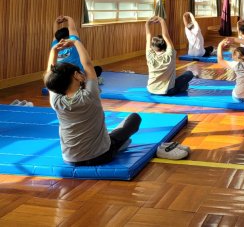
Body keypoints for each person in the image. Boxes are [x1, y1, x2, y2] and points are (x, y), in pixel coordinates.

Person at [44, 38, 141, 166]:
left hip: (71, 159)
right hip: (101, 156)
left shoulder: (55, 100)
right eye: (79, 72)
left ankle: (115, 142)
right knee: (134, 118)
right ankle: (118, 144)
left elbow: (51, 75)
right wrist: (75, 42)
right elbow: (88, 65)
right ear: (76, 75)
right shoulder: (90, 94)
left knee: (110, 135)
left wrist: (54, 51)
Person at [145, 16, 194, 96]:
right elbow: (165, 35)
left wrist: (147, 23)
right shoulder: (170, 55)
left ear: (152, 47)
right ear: (165, 46)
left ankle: (181, 87)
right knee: (189, 74)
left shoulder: (149, 56)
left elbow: (148, 36)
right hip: (167, 91)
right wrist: (161, 20)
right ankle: (182, 87)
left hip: (151, 89)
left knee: (181, 83)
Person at [52, 15, 104, 84]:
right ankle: (96, 80)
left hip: (62, 78)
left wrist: (56, 21)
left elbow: (55, 34)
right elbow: (72, 28)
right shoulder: (73, 45)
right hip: (79, 77)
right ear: (69, 37)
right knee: (97, 69)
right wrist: (68, 18)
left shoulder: (55, 46)